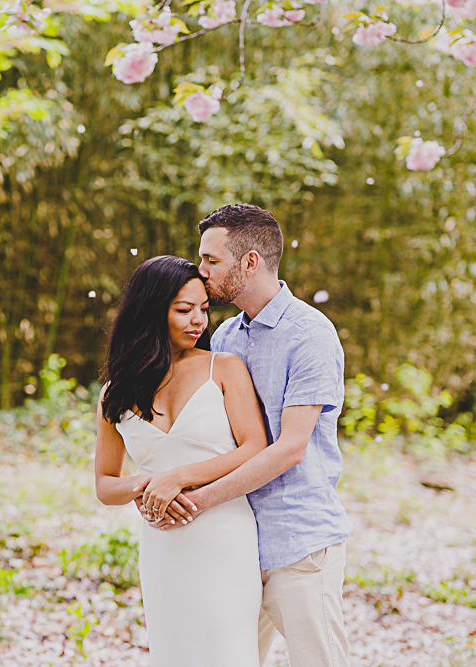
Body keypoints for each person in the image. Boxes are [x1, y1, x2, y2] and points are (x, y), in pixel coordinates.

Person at [141, 203, 352, 667]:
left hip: (298, 543)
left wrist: (195, 500)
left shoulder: (310, 335)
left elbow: (289, 449)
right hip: (236, 546)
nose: (201, 271)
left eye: (211, 260)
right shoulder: (225, 338)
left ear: (250, 261)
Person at [94, 255, 269, 667]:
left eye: (204, 309)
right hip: (164, 543)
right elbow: (105, 484)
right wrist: (150, 487)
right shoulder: (114, 393)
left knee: (228, 654)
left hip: (225, 537)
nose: (199, 321)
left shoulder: (224, 368)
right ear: (152, 312)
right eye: (184, 310)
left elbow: (254, 447)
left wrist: (179, 477)